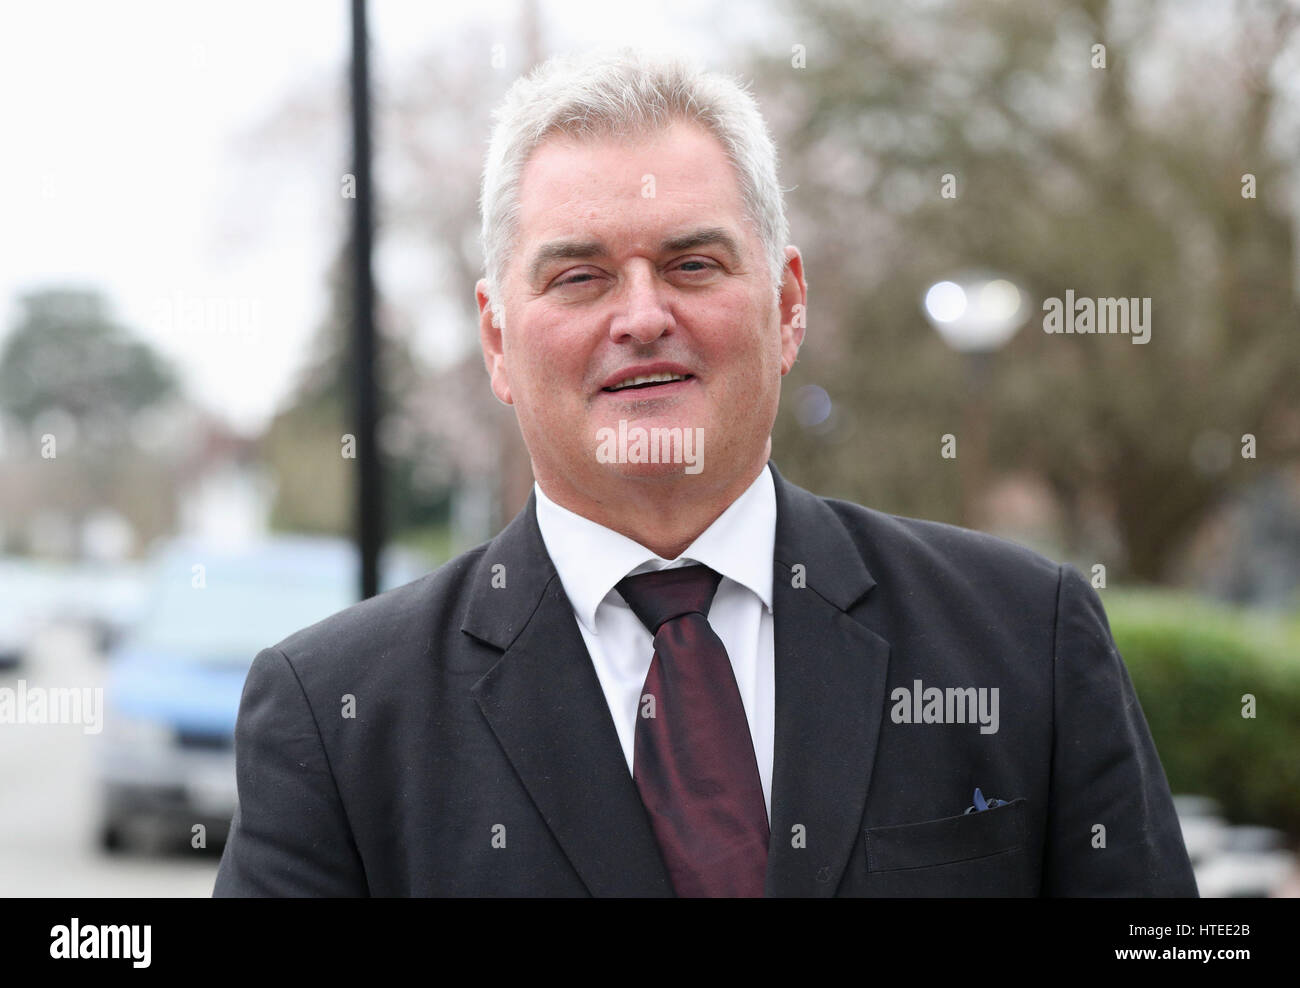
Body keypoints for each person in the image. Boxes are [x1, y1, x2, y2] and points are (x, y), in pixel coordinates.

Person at [214, 49, 1197, 897]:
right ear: (496, 340)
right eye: (579, 275)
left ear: (788, 302)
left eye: (690, 264)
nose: (641, 315)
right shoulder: (335, 719)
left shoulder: (1024, 638)